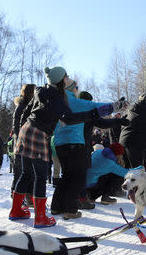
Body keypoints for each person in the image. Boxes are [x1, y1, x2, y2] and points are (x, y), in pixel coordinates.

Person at [8, 66, 100, 227]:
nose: (67, 78)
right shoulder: (57, 97)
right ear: (60, 80)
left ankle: (16, 210)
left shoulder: (40, 91)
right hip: (39, 133)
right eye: (66, 76)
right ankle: (40, 217)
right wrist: (91, 115)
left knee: (26, 173)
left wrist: (19, 131)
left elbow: (25, 112)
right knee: (40, 176)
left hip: (26, 130)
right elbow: (69, 118)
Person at [50, 79, 126, 220]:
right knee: (78, 178)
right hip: (77, 145)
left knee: (67, 176)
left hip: (61, 144)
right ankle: (72, 208)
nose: (77, 89)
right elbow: (100, 116)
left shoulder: (60, 103)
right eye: (76, 87)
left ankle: (56, 207)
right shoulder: (80, 105)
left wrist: (118, 120)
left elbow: (101, 122)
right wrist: (117, 107)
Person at [78, 91, 129, 206]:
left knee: (78, 172)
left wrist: (117, 119)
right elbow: (123, 172)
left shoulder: (99, 152)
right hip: (81, 146)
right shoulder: (86, 114)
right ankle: (86, 198)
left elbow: (102, 122)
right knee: (113, 174)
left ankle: (78, 197)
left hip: (74, 145)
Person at [11, 84, 35, 201]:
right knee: (19, 171)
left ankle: (28, 197)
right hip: (21, 143)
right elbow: (16, 127)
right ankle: (16, 196)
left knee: (29, 171)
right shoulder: (21, 107)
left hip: (28, 143)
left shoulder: (31, 106)